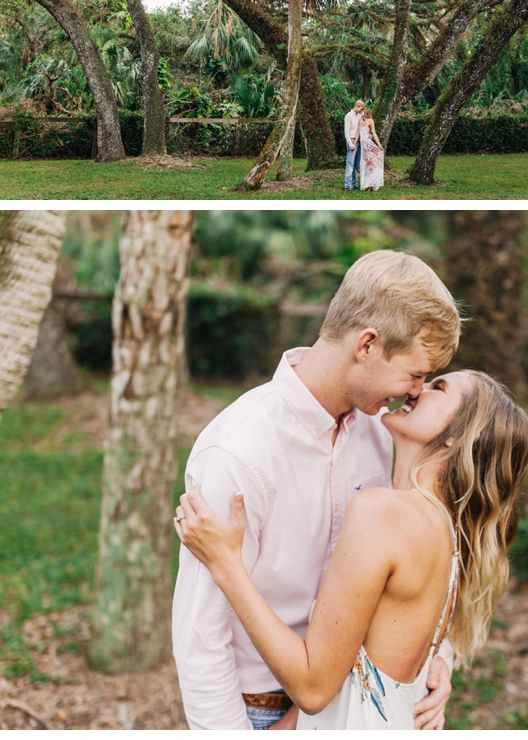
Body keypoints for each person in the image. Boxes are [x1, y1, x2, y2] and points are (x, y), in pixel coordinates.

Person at [172, 250, 463, 730]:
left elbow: (414, 555)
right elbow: (200, 632)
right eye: (415, 374)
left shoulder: (379, 431)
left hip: (354, 699)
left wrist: (437, 654)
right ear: (367, 344)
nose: (416, 391)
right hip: (256, 710)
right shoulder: (238, 452)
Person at [176, 368, 528, 730]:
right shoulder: (449, 532)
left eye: (438, 387)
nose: (417, 388)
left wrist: (226, 565)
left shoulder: (384, 514)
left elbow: (314, 689)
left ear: (457, 436)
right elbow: (354, 669)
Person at [354, 107, 385, 191]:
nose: (361, 112)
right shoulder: (360, 121)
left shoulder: (371, 121)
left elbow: (374, 133)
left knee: (372, 165)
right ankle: (366, 185)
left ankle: (372, 184)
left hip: (369, 145)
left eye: (362, 111)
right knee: (364, 165)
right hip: (363, 147)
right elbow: (358, 133)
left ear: (366, 112)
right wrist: (354, 143)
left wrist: (379, 145)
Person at [344, 100, 365, 190]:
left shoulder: (360, 116)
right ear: (357, 106)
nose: (361, 110)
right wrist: (350, 144)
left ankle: (354, 183)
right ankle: (348, 185)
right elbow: (347, 132)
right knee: (350, 164)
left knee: (356, 164)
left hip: (359, 141)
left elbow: (362, 129)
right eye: (361, 108)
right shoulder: (348, 116)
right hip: (352, 141)